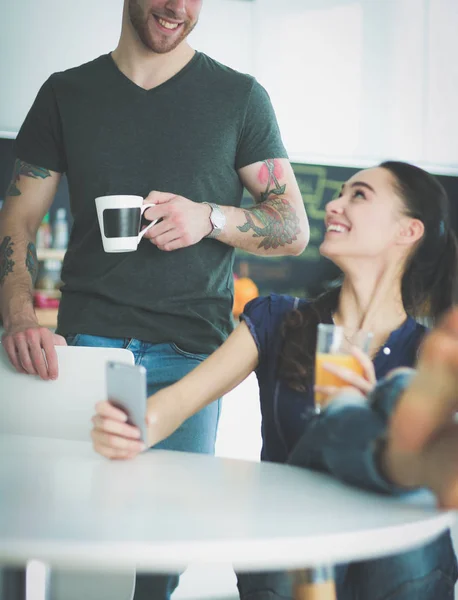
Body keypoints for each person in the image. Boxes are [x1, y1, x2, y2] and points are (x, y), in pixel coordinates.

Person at [0, 1, 309, 598]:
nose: (178, 8)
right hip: (87, 352)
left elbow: (293, 227)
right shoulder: (68, 92)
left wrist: (209, 218)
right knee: (84, 560)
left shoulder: (240, 96)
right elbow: (16, 218)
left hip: (190, 359)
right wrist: (17, 316)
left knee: (158, 564)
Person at [92, 161, 458, 599]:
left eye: (359, 195)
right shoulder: (278, 319)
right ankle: (401, 451)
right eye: (340, 193)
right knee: (387, 402)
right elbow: (174, 404)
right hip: (292, 561)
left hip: (398, 573)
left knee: (394, 397)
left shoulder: (435, 352)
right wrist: (130, 428)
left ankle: (374, 426)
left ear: (408, 231)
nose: (334, 205)